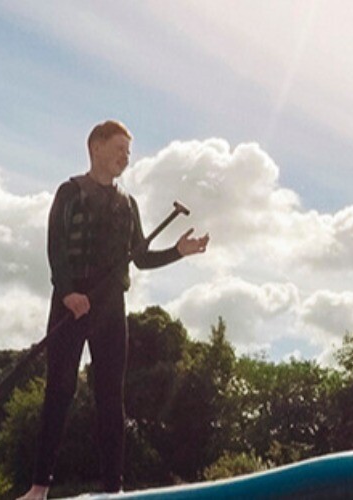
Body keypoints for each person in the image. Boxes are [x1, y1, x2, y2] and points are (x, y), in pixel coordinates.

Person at [17, 120, 210, 499]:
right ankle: (38, 488)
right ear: (96, 147)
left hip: (109, 307)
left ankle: (113, 491)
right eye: (119, 148)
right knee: (59, 390)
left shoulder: (128, 204)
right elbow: (55, 247)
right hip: (70, 304)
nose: (125, 157)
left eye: (128, 152)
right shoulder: (69, 192)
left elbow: (139, 259)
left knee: (110, 397)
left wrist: (178, 252)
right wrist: (69, 292)